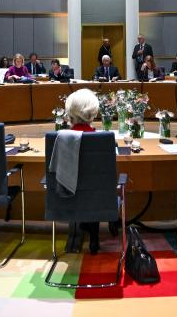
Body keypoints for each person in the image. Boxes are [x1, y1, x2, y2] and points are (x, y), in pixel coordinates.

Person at [61, 89, 104, 253]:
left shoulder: (61, 139)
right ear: (93, 113)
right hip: (97, 196)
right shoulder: (101, 140)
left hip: (67, 194)